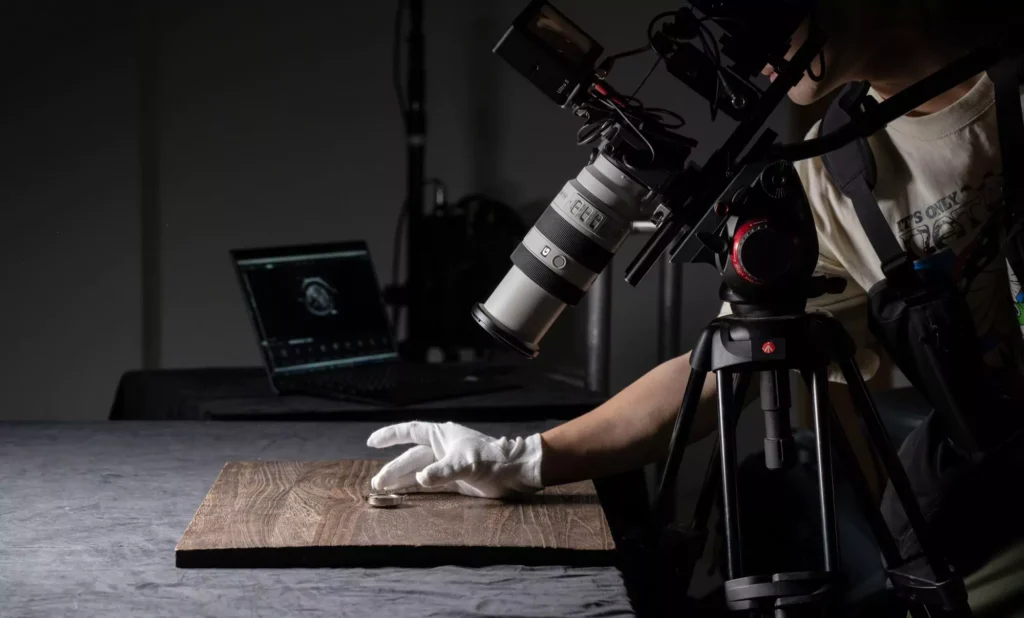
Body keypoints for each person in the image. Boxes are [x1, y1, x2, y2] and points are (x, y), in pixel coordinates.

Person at [368, 1, 1024, 614]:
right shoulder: (839, 166)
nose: (749, 50)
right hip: (982, 479)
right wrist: (522, 459)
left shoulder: (1007, 97)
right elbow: (731, 364)